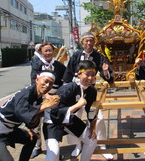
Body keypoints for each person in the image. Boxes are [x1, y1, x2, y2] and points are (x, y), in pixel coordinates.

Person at [0, 71, 60, 161]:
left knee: (32, 138)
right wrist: (45, 106)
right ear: (37, 80)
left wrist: (30, 129)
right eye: (45, 81)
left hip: (10, 130)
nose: (47, 85)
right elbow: (21, 112)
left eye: (50, 84)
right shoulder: (26, 94)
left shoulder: (37, 96)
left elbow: (31, 118)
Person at [63, 32, 114, 160]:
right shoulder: (76, 55)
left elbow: (107, 75)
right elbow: (68, 72)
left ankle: (102, 146)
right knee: (73, 117)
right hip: (75, 90)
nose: (89, 43)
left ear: (94, 42)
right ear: (82, 42)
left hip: (91, 90)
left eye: (91, 41)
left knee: (100, 118)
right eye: (86, 41)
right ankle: (77, 145)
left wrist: (106, 72)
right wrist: (66, 89)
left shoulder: (99, 57)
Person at [46, 60, 98, 161]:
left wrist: (92, 126)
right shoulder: (68, 88)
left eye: (93, 75)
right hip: (52, 121)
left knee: (91, 140)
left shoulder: (91, 91)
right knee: (53, 155)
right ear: (79, 74)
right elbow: (55, 111)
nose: (90, 78)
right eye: (87, 74)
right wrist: (77, 105)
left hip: (68, 119)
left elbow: (90, 110)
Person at [30, 42, 66, 159]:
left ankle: (55, 149)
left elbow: (65, 80)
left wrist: (59, 95)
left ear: (53, 52)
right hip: (40, 98)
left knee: (55, 124)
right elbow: (33, 83)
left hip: (55, 99)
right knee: (36, 124)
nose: (48, 53)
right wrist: (45, 96)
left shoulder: (59, 65)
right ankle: (37, 147)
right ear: (41, 52)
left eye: (50, 50)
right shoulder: (37, 65)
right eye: (45, 51)